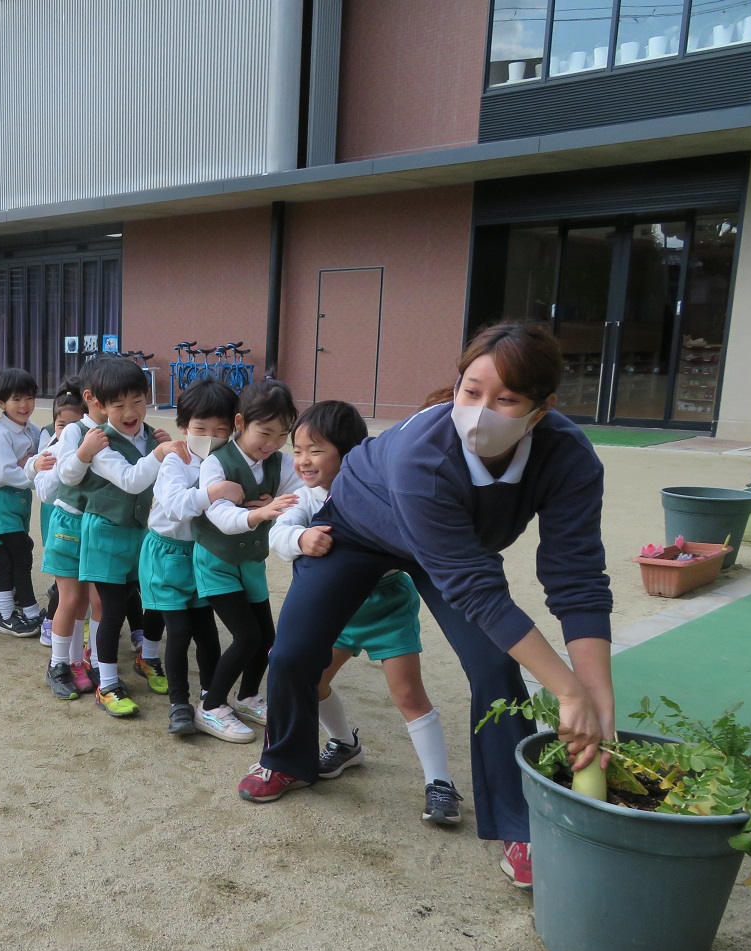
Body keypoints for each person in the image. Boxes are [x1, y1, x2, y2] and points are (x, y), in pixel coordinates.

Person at [246, 321, 614, 890]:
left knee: (495, 666)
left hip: (455, 546)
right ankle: (286, 759)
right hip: (362, 525)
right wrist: (568, 692)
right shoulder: (424, 454)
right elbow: (475, 588)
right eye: (472, 391)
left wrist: (597, 697)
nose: (481, 412)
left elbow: (577, 577)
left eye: (506, 400)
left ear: (541, 409)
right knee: (294, 651)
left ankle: (518, 821)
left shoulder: (568, 457)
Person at [266, 400, 462, 826]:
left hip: (386, 607)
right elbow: (278, 532)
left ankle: (440, 783)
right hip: (335, 612)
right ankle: (345, 744)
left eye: (316, 450)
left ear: (351, 452)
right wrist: (300, 539)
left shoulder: (378, 489)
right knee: (315, 680)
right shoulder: (305, 497)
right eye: (297, 450)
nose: (303, 460)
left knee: (408, 695)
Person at [62, 357, 187, 717]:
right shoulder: (99, 441)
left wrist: (163, 451)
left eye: (137, 401)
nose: (130, 412)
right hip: (105, 535)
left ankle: (148, 659)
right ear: (100, 406)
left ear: (147, 396)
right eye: (118, 405)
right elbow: (131, 480)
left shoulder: (152, 436)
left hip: (141, 534)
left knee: (155, 601)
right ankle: (107, 685)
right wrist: (160, 454)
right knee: (112, 610)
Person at [191, 380, 300, 740]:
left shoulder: (280, 463)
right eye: (265, 433)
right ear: (240, 423)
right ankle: (210, 706)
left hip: (251, 562)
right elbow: (221, 516)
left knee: (267, 637)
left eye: (282, 435)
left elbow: (304, 496)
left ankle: (248, 696)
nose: (272, 443)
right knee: (246, 636)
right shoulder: (216, 462)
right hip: (216, 561)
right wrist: (262, 512)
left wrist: (276, 507)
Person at [145, 379, 239, 736]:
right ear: (184, 427)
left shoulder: (227, 462)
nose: (210, 437)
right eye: (201, 428)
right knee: (179, 631)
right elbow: (175, 507)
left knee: (207, 632)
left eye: (220, 430)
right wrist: (213, 492)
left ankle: (210, 697)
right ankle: (179, 703)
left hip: (201, 555)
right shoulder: (176, 460)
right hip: (166, 554)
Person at [38, 381, 103, 695]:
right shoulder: (65, 440)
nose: (66, 430)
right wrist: (38, 465)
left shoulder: (106, 434)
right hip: (69, 524)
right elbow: (46, 487)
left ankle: (83, 662)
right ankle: (58, 665)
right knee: (71, 599)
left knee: (92, 601)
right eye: (61, 424)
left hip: (96, 525)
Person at [0, 368, 44, 636]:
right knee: (20, 554)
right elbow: (4, 473)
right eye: (16, 399)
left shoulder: (32, 429)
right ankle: (27, 611)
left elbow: (41, 454)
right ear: (1, 402)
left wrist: (30, 465)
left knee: (19, 551)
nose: (24, 405)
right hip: (2, 502)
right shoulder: (1, 435)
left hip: (19, 501)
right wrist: (33, 474)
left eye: (29, 398)